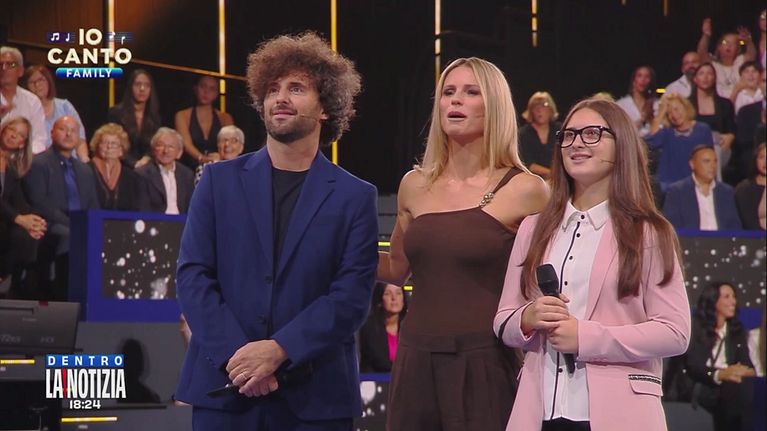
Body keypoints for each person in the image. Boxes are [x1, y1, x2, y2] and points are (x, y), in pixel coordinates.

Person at [175, 32, 378, 430]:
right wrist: (241, 360)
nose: (280, 98)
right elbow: (193, 276)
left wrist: (280, 350)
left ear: (326, 107)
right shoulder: (217, 181)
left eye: (296, 88)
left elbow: (351, 297)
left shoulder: (356, 196)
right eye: (272, 89)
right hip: (226, 392)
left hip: (316, 398)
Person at [494, 98, 690, 431]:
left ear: (621, 144)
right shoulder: (533, 227)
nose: (577, 143)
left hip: (620, 414)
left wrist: (586, 337)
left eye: (592, 133)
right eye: (568, 135)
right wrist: (528, 318)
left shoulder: (649, 232)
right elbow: (503, 320)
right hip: (539, 412)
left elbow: (675, 332)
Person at [378, 57, 549, 431]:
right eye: (448, 92)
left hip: (486, 361)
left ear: (495, 107)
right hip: (415, 360)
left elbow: (552, 278)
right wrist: (336, 247)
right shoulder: (413, 184)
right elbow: (396, 268)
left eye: (471, 92)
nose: (455, 100)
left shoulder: (527, 190)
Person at [23, 116, 99, 300]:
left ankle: (93, 298)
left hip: (78, 225)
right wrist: (73, 224)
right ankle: (61, 295)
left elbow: (93, 204)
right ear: (52, 133)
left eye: (73, 131)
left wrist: (92, 226)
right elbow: (39, 201)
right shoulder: (38, 163)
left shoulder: (85, 170)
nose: (68, 134)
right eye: (63, 129)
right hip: (49, 223)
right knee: (68, 234)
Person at [685, 282, 756, 431]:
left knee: (740, 391)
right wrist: (721, 374)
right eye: (727, 297)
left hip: (729, 391)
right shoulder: (695, 326)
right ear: (713, 300)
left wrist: (738, 371)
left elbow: (748, 366)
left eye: (734, 296)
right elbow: (693, 365)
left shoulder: (736, 331)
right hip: (700, 387)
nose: (733, 301)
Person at [0, 117, 45, 297]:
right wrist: (19, 219)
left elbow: (19, 202)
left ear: (22, 144)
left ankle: (10, 283)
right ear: (3, 130)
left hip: (3, 218)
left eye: (20, 135)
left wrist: (34, 222)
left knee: (27, 236)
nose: (14, 136)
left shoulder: (11, 168)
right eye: (12, 130)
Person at [662, 145, 742, 230]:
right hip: (690, 238)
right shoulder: (677, 191)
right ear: (692, 164)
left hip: (721, 238)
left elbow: (735, 227)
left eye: (715, 161)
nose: (712, 166)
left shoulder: (726, 192)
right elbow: (671, 227)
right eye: (707, 161)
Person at [647, 92, 714, 191]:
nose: (674, 115)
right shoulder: (667, 133)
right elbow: (650, 142)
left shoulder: (702, 130)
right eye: (669, 113)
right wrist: (660, 114)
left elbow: (710, 159)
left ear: (685, 107)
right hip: (669, 188)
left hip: (697, 186)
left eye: (676, 109)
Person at [22, 65, 88, 160]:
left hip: (70, 160)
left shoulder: (65, 106)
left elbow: (80, 140)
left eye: (41, 80)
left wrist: (84, 161)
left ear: (49, 81)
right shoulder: (25, 110)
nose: (37, 85)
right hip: (40, 161)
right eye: (32, 82)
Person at [175, 75, 234, 169]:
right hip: (189, 167)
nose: (206, 92)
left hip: (217, 165)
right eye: (203, 86)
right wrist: (202, 158)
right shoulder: (182, 115)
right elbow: (185, 143)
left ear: (216, 94)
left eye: (212, 89)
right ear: (195, 89)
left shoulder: (225, 118)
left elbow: (229, 144)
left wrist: (218, 157)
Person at [107, 69, 162, 168]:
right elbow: (114, 143)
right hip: (122, 165)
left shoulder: (155, 116)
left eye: (147, 85)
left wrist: (146, 159)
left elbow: (156, 144)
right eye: (137, 84)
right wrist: (133, 163)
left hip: (147, 166)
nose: (142, 89)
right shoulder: (116, 113)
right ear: (130, 87)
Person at [689, 63, 736, 174]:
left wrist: (730, 137)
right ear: (695, 79)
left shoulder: (725, 104)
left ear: (714, 78)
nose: (705, 77)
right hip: (693, 147)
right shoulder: (687, 104)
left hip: (719, 148)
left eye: (709, 73)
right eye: (701, 73)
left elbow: (732, 130)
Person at [135, 128, 194, 214]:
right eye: (161, 146)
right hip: (155, 221)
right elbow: (143, 209)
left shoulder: (187, 174)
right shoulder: (142, 174)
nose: (166, 151)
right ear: (153, 149)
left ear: (179, 153)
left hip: (182, 221)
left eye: (171, 147)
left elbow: (191, 207)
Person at [88, 123, 145, 211]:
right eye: (104, 142)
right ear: (97, 146)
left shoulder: (131, 177)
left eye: (114, 143)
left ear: (121, 150)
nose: (109, 146)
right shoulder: (86, 170)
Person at [0, 46, 46, 155]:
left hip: (22, 159)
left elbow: (39, 140)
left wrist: (22, 157)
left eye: (10, 64)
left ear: (20, 71)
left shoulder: (32, 101)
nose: (3, 69)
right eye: (0, 65)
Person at [697, 18, 757, 98]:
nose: (729, 45)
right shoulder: (713, 64)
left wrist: (748, 41)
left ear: (738, 49)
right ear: (719, 47)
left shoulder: (740, 61)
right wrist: (706, 35)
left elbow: (751, 54)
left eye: (733, 43)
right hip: (720, 103)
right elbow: (701, 53)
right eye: (725, 42)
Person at [358, 282, 407, 373]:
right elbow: (368, 364)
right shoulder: (369, 327)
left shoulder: (411, 327)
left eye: (398, 293)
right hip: (377, 377)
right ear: (380, 300)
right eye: (388, 294)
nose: (394, 298)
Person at [519, 91, 561, 179]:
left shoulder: (559, 129)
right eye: (535, 106)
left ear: (550, 109)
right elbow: (528, 164)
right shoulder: (523, 134)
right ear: (531, 111)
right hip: (534, 179)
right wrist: (553, 175)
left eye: (544, 105)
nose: (539, 110)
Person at [615, 65, 658, 137]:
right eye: (639, 76)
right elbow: (620, 130)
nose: (643, 79)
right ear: (633, 80)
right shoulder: (622, 104)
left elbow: (660, 131)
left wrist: (651, 118)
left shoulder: (656, 104)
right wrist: (643, 119)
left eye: (647, 76)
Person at [734, 142, 766, 229]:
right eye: (761, 157)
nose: (765, 162)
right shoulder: (744, 189)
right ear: (755, 160)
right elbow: (748, 223)